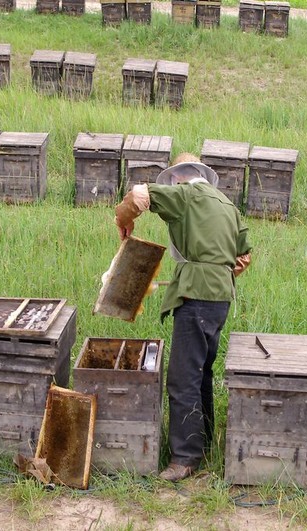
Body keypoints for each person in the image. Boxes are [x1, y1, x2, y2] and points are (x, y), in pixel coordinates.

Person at [114, 153, 252, 482]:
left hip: (197, 298)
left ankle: (185, 458)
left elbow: (139, 195)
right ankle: (202, 443)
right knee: (202, 373)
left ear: (179, 178)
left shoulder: (185, 195)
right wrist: (219, 268)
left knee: (182, 378)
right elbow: (244, 255)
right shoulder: (228, 206)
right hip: (220, 299)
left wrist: (123, 219)